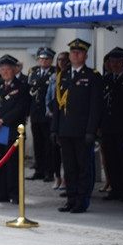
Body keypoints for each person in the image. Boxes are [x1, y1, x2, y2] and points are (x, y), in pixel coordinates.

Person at [51, 38, 103, 213]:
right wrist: (54, 128)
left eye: (79, 52)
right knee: (69, 167)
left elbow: (95, 106)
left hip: (82, 130)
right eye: (73, 52)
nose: (75, 55)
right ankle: (70, 199)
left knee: (83, 167)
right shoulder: (63, 75)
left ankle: (82, 200)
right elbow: (57, 105)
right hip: (65, 129)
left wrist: (91, 130)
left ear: (85, 56)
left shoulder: (92, 76)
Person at [0, 55, 30, 204]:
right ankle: (1, 193)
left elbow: (20, 108)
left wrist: (3, 120)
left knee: (13, 164)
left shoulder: (22, 86)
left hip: (12, 129)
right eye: (3, 69)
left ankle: (15, 193)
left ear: (14, 70)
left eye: (8, 70)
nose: (5, 72)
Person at [100, 46, 123, 202]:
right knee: (111, 159)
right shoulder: (107, 79)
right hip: (108, 127)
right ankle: (115, 188)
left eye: (118, 61)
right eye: (112, 62)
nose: (115, 65)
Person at [27, 48, 56, 182]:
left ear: (51, 60)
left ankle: (49, 171)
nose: (43, 61)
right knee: (37, 144)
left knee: (48, 145)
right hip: (35, 113)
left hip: (47, 114)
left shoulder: (54, 73)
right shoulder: (33, 72)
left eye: (46, 59)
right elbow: (29, 93)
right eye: (41, 59)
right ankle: (39, 169)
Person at [46, 51, 69, 190]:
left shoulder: (70, 77)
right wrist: (48, 111)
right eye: (59, 59)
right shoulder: (54, 77)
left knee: (66, 152)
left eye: (64, 60)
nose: (61, 62)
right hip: (55, 118)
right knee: (54, 149)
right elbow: (49, 96)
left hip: (66, 119)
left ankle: (66, 178)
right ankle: (57, 177)